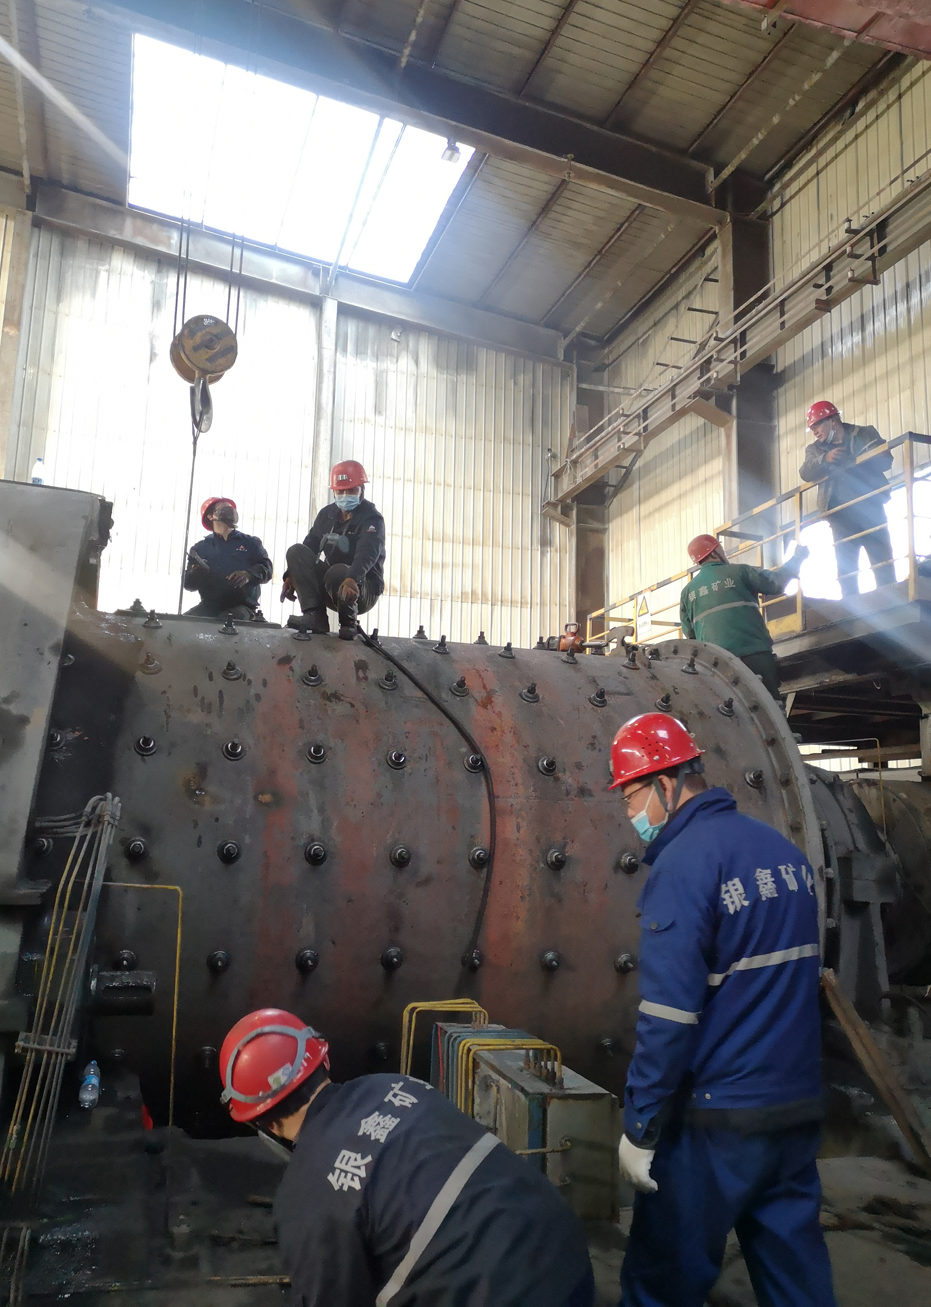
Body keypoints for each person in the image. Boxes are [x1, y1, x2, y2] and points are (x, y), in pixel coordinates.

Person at [608, 711, 834, 1307]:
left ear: (666, 783)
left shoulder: (685, 866)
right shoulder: (782, 853)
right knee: (797, 1277)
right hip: (794, 1108)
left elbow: (669, 1016)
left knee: (661, 1280)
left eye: (630, 796)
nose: (631, 815)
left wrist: (640, 1124)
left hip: (716, 1123)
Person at [218, 1008, 596, 1307]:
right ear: (323, 1062)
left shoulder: (304, 1196)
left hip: (501, 1293)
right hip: (564, 1248)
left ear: (263, 1123)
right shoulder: (395, 1085)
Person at [680, 535, 807, 702]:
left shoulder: (688, 592)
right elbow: (775, 583)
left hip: (716, 663)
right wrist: (797, 558)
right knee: (769, 705)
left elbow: (690, 634)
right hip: (754, 653)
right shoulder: (740, 572)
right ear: (715, 552)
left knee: (730, 708)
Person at [799, 399, 895, 596]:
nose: (815, 431)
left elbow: (886, 461)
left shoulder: (864, 434)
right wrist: (825, 459)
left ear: (833, 420)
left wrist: (859, 460)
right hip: (841, 516)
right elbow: (805, 472)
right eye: (812, 428)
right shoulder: (815, 450)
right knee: (847, 570)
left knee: (882, 562)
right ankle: (851, 606)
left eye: (817, 425)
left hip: (870, 509)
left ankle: (892, 600)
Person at [281, 461, 385, 640]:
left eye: (351, 491)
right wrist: (292, 576)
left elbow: (367, 553)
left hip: (361, 588)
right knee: (296, 551)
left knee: (338, 572)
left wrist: (353, 578)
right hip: (332, 585)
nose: (345, 495)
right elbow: (309, 546)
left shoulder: (372, 518)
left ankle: (348, 623)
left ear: (362, 490)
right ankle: (315, 616)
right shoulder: (326, 515)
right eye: (340, 491)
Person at [183, 497, 273, 619]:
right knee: (183, 622)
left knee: (226, 620)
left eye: (231, 509)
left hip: (242, 607)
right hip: (209, 606)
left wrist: (248, 575)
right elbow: (188, 584)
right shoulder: (200, 549)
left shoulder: (250, 543)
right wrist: (196, 574)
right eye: (224, 508)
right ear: (210, 516)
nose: (230, 511)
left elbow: (267, 568)